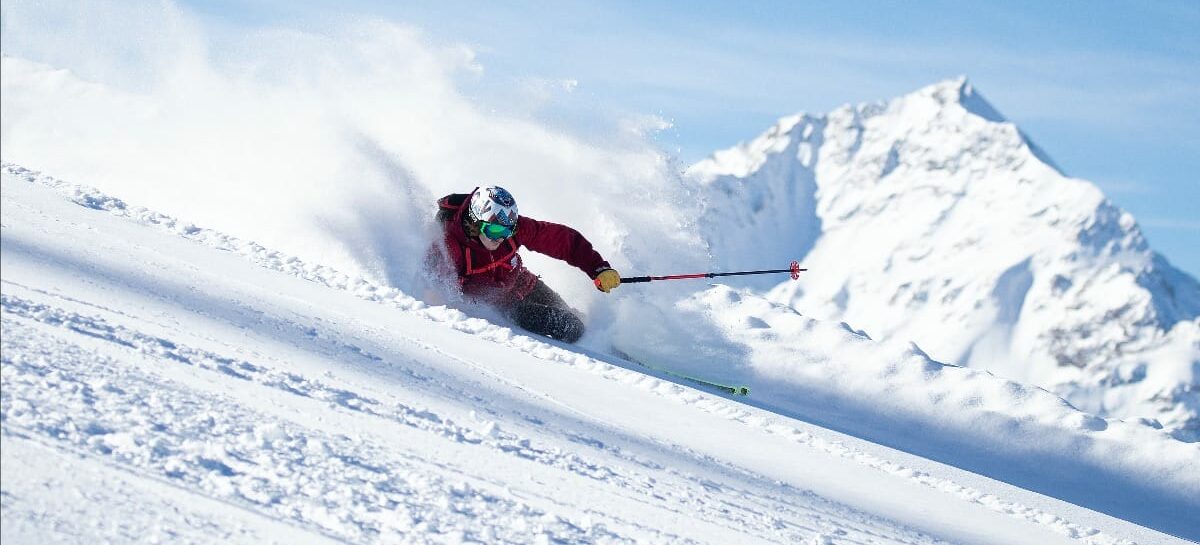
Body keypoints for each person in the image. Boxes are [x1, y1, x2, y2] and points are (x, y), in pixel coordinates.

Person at [427, 185, 621, 343]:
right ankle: (593, 354)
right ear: (475, 222)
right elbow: (435, 289)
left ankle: (603, 347)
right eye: (495, 231)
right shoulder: (449, 247)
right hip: (507, 308)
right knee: (570, 326)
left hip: (526, 284)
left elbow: (562, 241)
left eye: (507, 232)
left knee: (573, 315)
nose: (501, 238)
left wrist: (597, 268)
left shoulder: (512, 229)